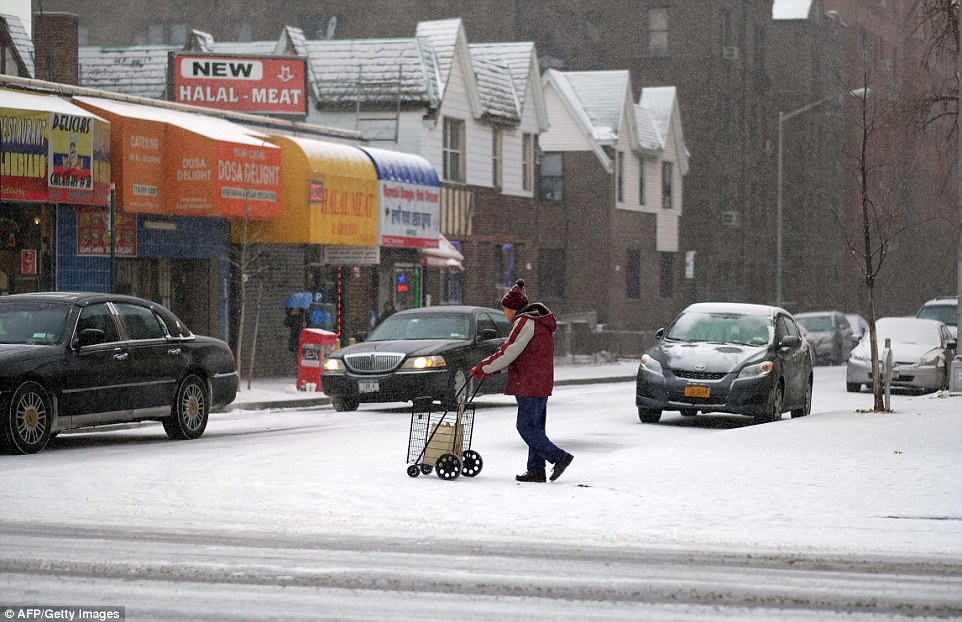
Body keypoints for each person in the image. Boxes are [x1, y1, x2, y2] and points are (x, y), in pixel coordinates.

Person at [471, 279, 574, 483]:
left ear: (513, 308)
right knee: (535, 428)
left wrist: (483, 367)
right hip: (540, 382)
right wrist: (494, 370)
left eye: (505, 309)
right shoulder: (537, 323)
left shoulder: (525, 322)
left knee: (525, 427)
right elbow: (522, 354)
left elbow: (509, 351)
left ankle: (559, 457)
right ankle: (536, 470)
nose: (504, 313)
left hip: (530, 383)